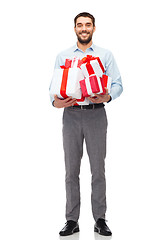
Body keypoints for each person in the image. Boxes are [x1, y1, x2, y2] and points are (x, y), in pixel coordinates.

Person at [49, 12, 123, 236]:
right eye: (80, 25)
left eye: (87, 25)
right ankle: (72, 220)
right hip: (70, 115)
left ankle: (100, 219)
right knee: (71, 171)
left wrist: (107, 97)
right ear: (74, 29)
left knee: (97, 170)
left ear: (93, 28)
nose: (84, 28)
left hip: (96, 115)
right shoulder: (63, 56)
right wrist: (57, 102)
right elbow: (53, 88)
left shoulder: (105, 55)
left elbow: (118, 84)